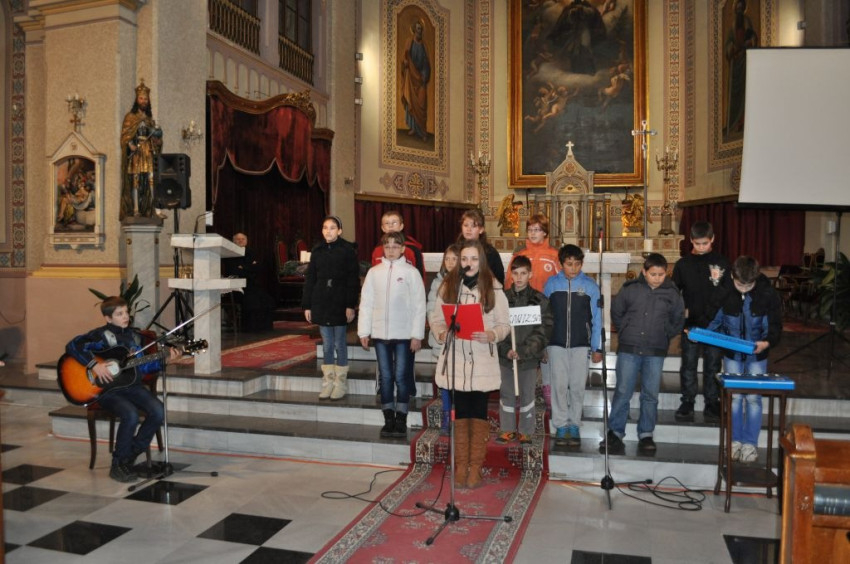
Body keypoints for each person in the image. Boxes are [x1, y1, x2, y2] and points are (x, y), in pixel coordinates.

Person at [65, 296, 180, 482]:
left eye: (126, 312)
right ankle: (117, 464)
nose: (125, 316)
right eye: (119, 314)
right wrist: (94, 365)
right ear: (108, 318)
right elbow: (72, 346)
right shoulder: (100, 336)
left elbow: (143, 367)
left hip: (131, 386)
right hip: (106, 390)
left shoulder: (135, 337)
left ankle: (129, 455)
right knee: (130, 414)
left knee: (158, 410)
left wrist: (165, 360)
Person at [429, 240, 509, 488]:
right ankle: (461, 466)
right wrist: (441, 333)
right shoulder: (448, 285)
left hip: (482, 359)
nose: (468, 263)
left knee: (478, 412)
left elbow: (504, 325)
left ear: (481, 261)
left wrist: (491, 334)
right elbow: (435, 318)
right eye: (464, 259)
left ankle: (475, 467)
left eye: (473, 259)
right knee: (461, 412)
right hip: (456, 359)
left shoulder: (494, 288)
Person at [601, 253, 684, 454]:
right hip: (629, 348)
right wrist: (625, 330)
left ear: (666, 273)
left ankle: (646, 433)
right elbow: (617, 311)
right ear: (644, 272)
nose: (657, 278)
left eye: (661, 274)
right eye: (653, 274)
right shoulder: (630, 289)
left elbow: (678, 318)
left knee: (650, 394)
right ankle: (615, 432)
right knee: (623, 391)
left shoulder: (672, 293)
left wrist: (665, 333)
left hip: (655, 350)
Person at [705, 256, 782, 463]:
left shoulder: (768, 294)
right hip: (732, 354)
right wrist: (698, 333)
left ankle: (750, 444)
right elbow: (712, 320)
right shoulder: (723, 292)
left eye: (749, 285)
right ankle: (735, 441)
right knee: (735, 398)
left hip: (757, 355)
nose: (745, 289)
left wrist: (767, 342)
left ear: (756, 278)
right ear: (732, 276)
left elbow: (775, 326)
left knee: (754, 399)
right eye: (740, 285)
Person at [358, 232, 427, 438]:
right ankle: (388, 418)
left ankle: (401, 418)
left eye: (395, 247)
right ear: (382, 249)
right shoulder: (374, 272)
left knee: (401, 377)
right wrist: (364, 331)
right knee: (386, 377)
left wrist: (417, 335)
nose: (390, 250)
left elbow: (419, 305)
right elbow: (366, 303)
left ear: (403, 248)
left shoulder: (411, 272)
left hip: (404, 334)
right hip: (380, 334)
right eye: (387, 247)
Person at [543, 245, 602, 447]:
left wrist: (597, 347)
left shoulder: (590, 286)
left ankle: (574, 424)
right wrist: (543, 344)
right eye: (569, 264)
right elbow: (544, 316)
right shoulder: (551, 284)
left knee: (577, 386)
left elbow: (597, 318)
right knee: (559, 385)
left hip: (580, 344)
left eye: (577, 264)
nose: (574, 268)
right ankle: (561, 425)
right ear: (561, 264)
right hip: (556, 343)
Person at [672, 221, 731, 423]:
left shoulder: (722, 262)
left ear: (713, 239)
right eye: (697, 244)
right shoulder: (683, 264)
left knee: (713, 364)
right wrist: (682, 314)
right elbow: (674, 292)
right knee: (688, 363)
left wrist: (712, 317)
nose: (701, 247)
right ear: (691, 240)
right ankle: (687, 401)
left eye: (705, 243)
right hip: (691, 324)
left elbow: (725, 293)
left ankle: (712, 402)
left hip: (715, 324)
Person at [505, 214, 561, 414]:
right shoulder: (520, 254)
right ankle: (520, 395)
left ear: (545, 232)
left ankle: (547, 394)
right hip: (521, 311)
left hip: (544, 310)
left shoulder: (553, 255)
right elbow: (509, 281)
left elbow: (559, 284)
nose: (533, 233)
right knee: (523, 349)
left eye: (537, 229)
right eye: (530, 229)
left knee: (543, 350)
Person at [302, 216, 360, 401]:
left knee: (339, 343)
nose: (328, 231)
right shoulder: (317, 250)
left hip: (339, 301)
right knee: (327, 344)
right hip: (321, 300)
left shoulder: (347, 250)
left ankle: (340, 383)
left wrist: (350, 305)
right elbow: (311, 279)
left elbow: (352, 280)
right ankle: (328, 382)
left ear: (339, 230)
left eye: (332, 227)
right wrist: (307, 305)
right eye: (325, 227)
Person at [496, 255, 553, 444]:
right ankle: (507, 429)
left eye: (523, 273)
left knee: (528, 394)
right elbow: (496, 327)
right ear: (510, 275)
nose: (519, 277)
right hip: (506, 357)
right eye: (515, 273)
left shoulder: (539, 300)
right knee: (506, 392)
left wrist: (525, 350)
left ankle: (526, 431)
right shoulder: (502, 299)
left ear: (530, 274)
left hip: (528, 357)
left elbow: (544, 329)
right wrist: (506, 349)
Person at [426, 243, 460, 435]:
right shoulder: (438, 282)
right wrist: (439, 330)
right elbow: (432, 309)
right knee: (445, 381)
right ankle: (447, 417)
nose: (450, 262)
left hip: (462, 339)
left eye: (454, 259)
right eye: (447, 258)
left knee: (460, 382)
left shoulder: (468, 281)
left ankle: (459, 417)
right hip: (443, 337)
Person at [120, 79, 163, 221]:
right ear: (137, 100)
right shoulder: (130, 117)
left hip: (148, 151)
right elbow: (125, 135)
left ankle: (154, 208)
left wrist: (157, 138)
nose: (143, 101)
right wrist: (130, 144)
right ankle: (136, 209)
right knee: (135, 179)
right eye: (141, 98)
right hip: (137, 152)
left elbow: (155, 138)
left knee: (152, 178)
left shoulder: (149, 119)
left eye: (145, 99)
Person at [223, 232, 275, 332]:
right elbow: (234, 271)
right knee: (252, 301)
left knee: (267, 299)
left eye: (243, 239)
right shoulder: (230, 254)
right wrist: (249, 267)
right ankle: (250, 327)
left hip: (251, 284)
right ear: (233, 241)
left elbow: (258, 268)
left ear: (246, 241)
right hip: (237, 286)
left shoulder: (251, 252)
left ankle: (264, 327)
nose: (241, 241)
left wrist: (244, 267)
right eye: (238, 239)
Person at [370, 210, 425, 281]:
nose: (390, 226)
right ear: (383, 228)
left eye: (394, 223)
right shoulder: (377, 250)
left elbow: (420, 275)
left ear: (401, 226)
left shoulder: (413, 249)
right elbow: (373, 274)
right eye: (387, 223)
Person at [400, 18, 430, 141]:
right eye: (418, 29)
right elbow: (404, 58)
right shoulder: (409, 42)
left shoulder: (424, 46)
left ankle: (422, 131)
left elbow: (427, 64)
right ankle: (413, 127)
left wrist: (424, 75)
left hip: (421, 79)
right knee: (411, 102)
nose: (419, 31)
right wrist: (405, 62)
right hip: (411, 78)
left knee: (422, 103)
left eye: (421, 29)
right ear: (414, 30)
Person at [458, 208, 505, 285]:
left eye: (473, 226)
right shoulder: (456, 250)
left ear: (481, 230)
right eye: (466, 225)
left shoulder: (490, 253)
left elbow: (499, 279)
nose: (468, 229)